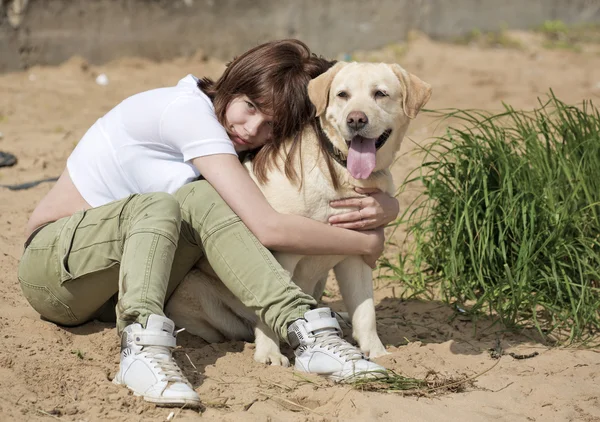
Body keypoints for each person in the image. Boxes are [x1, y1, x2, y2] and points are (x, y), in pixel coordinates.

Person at [17, 40, 400, 408]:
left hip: (112, 289)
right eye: (249, 107)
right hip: (55, 271)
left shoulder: (234, 137)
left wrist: (387, 202)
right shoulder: (188, 114)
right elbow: (268, 227)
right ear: (233, 80)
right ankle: (142, 349)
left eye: (270, 125)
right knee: (179, 202)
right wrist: (365, 242)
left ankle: (300, 327)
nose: (251, 129)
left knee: (195, 207)